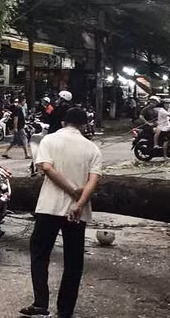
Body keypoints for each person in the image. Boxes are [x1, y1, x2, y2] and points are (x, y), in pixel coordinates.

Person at [20, 106, 103, 318]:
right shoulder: (92, 149)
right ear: (84, 125)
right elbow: (94, 180)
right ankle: (65, 311)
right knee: (73, 261)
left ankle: (40, 303)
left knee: (40, 254)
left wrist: (69, 191)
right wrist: (79, 201)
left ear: (64, 122)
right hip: (77, 212)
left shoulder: (49, 140)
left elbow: (46, 168)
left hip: (49, 207)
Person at [3, 95, 31, 160]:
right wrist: (15, 127)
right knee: (25, 140)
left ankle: (5, 152)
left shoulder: (19, 108)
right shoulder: (18, 108)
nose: (25, 103)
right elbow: (16, 118)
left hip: (19, 127)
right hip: (19, 127)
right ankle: (27, 154)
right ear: (22, 101)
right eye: (24, 101)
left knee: (14, 141)